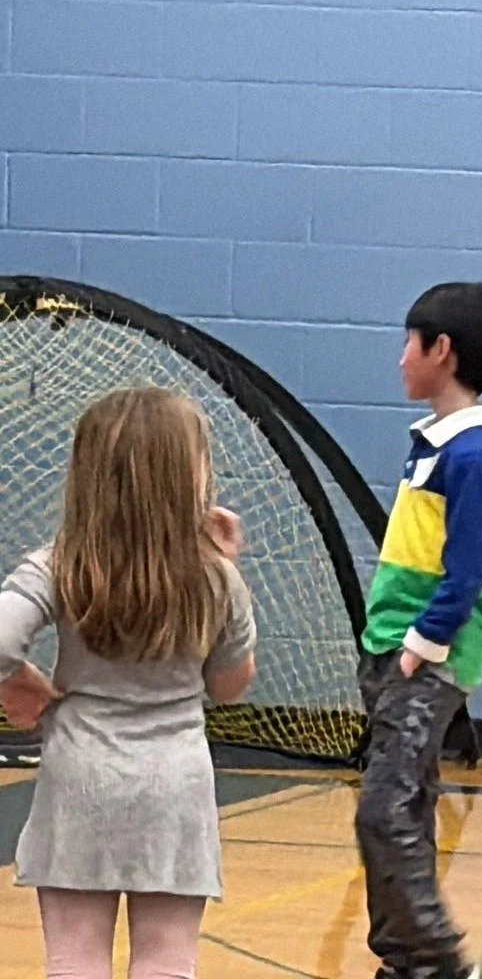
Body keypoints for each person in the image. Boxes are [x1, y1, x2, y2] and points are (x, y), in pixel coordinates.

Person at [0, 387, 257, 979]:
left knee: (73, 962)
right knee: (168, 965)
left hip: (80, 777)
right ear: (189, 475)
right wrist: (230, 576)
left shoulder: (57, 563)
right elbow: (229, 686)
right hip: (174, 784)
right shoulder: (216, 577)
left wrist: (20, 682)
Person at [356, 281, 482, 979]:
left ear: (442, 351)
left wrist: (422, 646)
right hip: (395, 649)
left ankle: (441, 960)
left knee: (383, 812)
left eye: (410, 343)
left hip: (423, 659)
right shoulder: (434, 443)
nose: (401, 359)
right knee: (410, 811)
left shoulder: (473, 456)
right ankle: (406, 963)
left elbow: (465, 569)